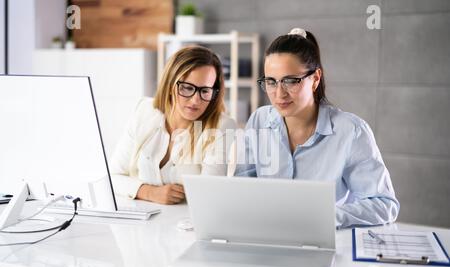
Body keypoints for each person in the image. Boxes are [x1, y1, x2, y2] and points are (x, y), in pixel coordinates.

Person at [234, 28, 399, 228]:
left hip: (325, 242)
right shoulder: (259, 120)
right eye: (271, 82)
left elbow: (383, 204)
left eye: (290, 81)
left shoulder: (351, 131)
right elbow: (242, 188)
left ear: (315, 79)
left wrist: (323, 218)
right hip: (266, 236)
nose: (279, 94)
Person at [110, 46, 236, 205]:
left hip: (186, 224)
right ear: (170, 85)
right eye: (188, 88)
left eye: (205, 91)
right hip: (141, 221)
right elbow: (112, 177)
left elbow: (210, 195)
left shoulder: (222, 127)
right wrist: (149, 192)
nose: (196, 100)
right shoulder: (143, 110)